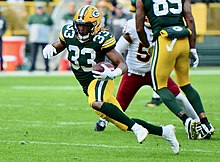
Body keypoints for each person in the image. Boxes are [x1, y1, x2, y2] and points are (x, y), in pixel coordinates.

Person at [42, 5, 180, 154]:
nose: (81, 29)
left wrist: (113, 74)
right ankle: (165, 131)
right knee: (122, 122)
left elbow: (122, 64)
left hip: (100, 77)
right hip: (86, 84)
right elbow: (60, 45)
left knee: (95, 102)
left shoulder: (101, 38)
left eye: (85, 26)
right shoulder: (69, 32)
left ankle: (137, 129)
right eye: (79, 25)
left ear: (95, 26)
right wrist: (51, 48)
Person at [95, 17, 201, 140]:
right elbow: (118, 49)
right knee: (119, 105)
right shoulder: (134, 27)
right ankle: (103, 121)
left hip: (154, 72)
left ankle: (197, 121)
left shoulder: (161, 27)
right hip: (133, 73)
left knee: (178, 96)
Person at [135, 0, 214, 139]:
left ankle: (187, 120)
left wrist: (148, 45)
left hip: (165, 40)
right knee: (185, 83)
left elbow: (139, 29)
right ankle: (205, 123)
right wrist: (193, 47)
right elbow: (189, 17)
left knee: (160, 86)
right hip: (183, 38)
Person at [27, 2, 53, 72]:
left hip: (44, 39)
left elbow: (52, 26)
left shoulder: (47, 17)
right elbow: (28, 26)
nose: (40, 9)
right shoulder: (32, 17)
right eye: (38, 8)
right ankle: (32, 67)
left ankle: (47, 67)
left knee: (45, 53)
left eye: (41, 8)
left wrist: (47, 33)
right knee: (33, 54)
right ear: (36, 9)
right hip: (34, 39)